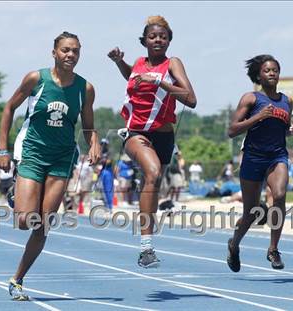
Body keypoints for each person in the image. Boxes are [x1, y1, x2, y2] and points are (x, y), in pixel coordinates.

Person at [0, 31, 100, 300]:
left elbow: (88, 126)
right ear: (54, 52)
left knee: (42, 224)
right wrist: (2, 149)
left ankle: (17, 279)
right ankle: (15, 195)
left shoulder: (85, 88)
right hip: (32, 151)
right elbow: (9, 108)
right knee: (24, 221)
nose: (71, 55)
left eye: (76, 51)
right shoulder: (36, 79)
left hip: (62, 157)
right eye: (65, 50)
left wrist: (95, 143)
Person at [108, 15, 196, 268]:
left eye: (163, 36)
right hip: (137, 133)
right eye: (153, 36)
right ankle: (146, 249)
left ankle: (147, 242)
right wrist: (119, 62)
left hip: (165, 135)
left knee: (155, 182)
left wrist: (160, 81)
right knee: (153, 172)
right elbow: (133, 78)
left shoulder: (172, 64)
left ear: (169, 41)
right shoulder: (138, 62)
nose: (158, 40)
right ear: (144, 40)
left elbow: (190, 100)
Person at [226, 54, 293, 272]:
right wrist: (257, 117)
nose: (271, 73)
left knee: (278, 196)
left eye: (275, 70)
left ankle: (273, 249)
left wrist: (290, 131)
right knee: (251, 213)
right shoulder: (251, 99)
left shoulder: (287, 101)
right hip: (253, 157)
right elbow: (232, 130)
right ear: (259, 75)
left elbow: (281, 130)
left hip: (277, 155)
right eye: (267, 70)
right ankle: (234, 244)